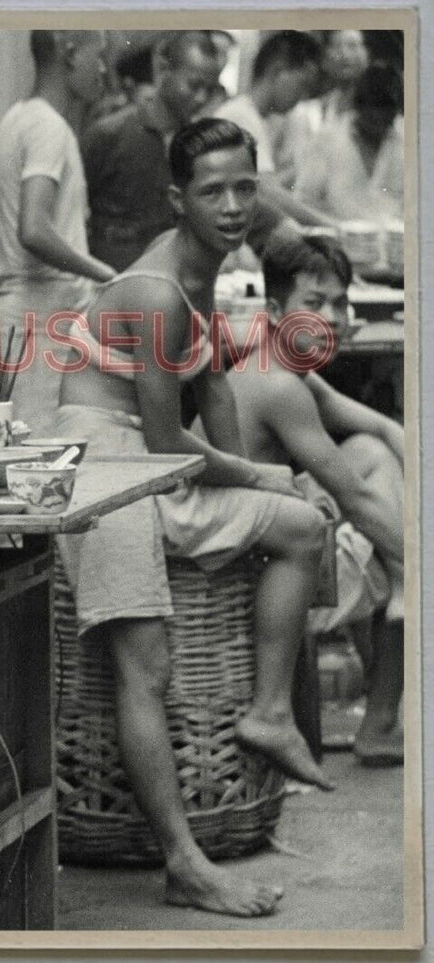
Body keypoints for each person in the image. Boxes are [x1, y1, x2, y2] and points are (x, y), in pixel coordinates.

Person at [57, 118, 332, 917]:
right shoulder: (153, 289)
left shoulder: (199, 268)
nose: (233, 204)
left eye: (244, 185)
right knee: (141, 664)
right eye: (211, 191)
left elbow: (208, 387)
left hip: (142, 464)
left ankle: (268, 712)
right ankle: (183, 861)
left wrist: (266, 486)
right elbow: (161, 437)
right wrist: (258, 471)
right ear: (177, 199)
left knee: (300, 527)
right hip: (104, 473)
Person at [223, 233, 404, 765]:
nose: (332, 317)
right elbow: (354, 498)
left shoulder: (290, 370)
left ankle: (401, 586)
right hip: (253, 565)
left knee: (375, 452)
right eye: (314, 303)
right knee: (395, 546)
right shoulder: (278, 385)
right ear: (276, 312)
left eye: (340, 303)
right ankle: (379, 722)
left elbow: (385, 430)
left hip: (268, 534)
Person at [0, 30, 116, 435]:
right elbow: (34, 229)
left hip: (15, 316)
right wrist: (104, 274)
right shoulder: (50, 128)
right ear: (71, 54)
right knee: (36, 457)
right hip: (40, 325)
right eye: (99, 56)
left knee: (11, 451)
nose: (104, 70)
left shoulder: (14, 119)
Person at [83, 31, 225, 272]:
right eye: (193, 85)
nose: (201, 98)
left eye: (209, 90)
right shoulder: (110, 133)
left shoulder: (195, 146)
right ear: (163, 69)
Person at [211, 31, 333, 229]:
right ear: (278, 71)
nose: (302, 97)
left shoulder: (259, 118)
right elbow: (267, 192)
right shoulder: (239, 115)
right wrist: (331, 226)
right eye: (302, 85)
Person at [294, 63, 404, 223]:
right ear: (359, 107)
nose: (380, 126)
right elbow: (304, 202)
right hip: (337, 240)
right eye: (373, 119)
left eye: (387, 120)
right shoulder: (328, 139)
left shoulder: (408, 140)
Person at [275, 30, 369, 188]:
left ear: (368, 55)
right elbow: (291, 173)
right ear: (324, 60)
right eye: (337, 47)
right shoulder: (305, 114)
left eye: (353, 46)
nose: (345, 55)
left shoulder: (382, 116)